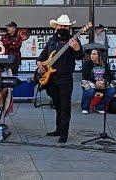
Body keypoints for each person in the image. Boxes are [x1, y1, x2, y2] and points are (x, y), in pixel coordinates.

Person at [36, 14, 84, 143]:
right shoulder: (51, 40)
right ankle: (58, 129)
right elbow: (42, 57)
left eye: (65, 26)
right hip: (51, 78)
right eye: (61, 25)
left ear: (69, 28)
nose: (63, 27)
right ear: (56, 26)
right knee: (56, 105)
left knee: (65, 106)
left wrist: (77, 49)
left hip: (65, 78)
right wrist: (39, 63)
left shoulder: (73, 40)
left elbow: (80, 56)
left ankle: (64, 134)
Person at [81, 49, 116, 114]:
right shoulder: (87, 64)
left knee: (112, 90)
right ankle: (85, 107)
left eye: (94, 54)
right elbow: (85, 76)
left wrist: (105, 81)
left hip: (102, 83)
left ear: (99, 56)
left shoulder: (104, 64)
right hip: (91, 83)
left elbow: (109, 76)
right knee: (89, 90)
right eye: (91, 54)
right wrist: (95, 81)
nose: (92, 56)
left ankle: (99, 107)